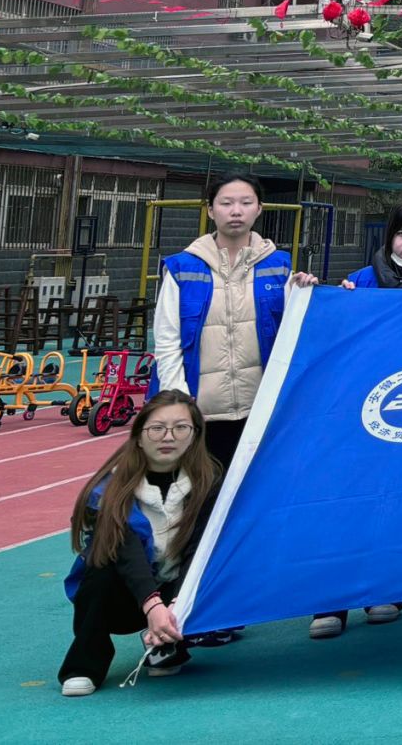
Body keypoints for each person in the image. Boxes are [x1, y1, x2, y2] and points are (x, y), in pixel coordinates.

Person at [148, 172, 307, 649]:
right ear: (210, 209)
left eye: (245, 202)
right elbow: (167, 341)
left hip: (256, 417)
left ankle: (229, 608)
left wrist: (306, 292)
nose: (235, 211)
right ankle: (188, 610)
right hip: (201, 417)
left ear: (259, 209)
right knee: (195, 512)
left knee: (242, 513)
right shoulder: (182, 267)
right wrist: (181, 407)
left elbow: (296, 333)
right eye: (225, 202)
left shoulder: (279, 267)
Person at [308, 202, 402, 640]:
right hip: (358, 412)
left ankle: (386, 591)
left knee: (396, 503)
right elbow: (330, 335)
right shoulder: (359, 281)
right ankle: (330, 600)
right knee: (345, 501)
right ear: (388, 236)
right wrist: (325, 299)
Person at [60, 390, 220, 695]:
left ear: (194, 436)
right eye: (157, 428)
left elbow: (199, 552)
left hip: (178, 590)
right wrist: (153, 606)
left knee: (211, 567)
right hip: (127, 595)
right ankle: (84, 664)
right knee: (100, 567)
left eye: (181, 428)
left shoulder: (209, 482)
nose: (168, 437)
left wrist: (176, 606)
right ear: (138, 437)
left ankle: (167, 643)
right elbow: (127, 554)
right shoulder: (110, 488)